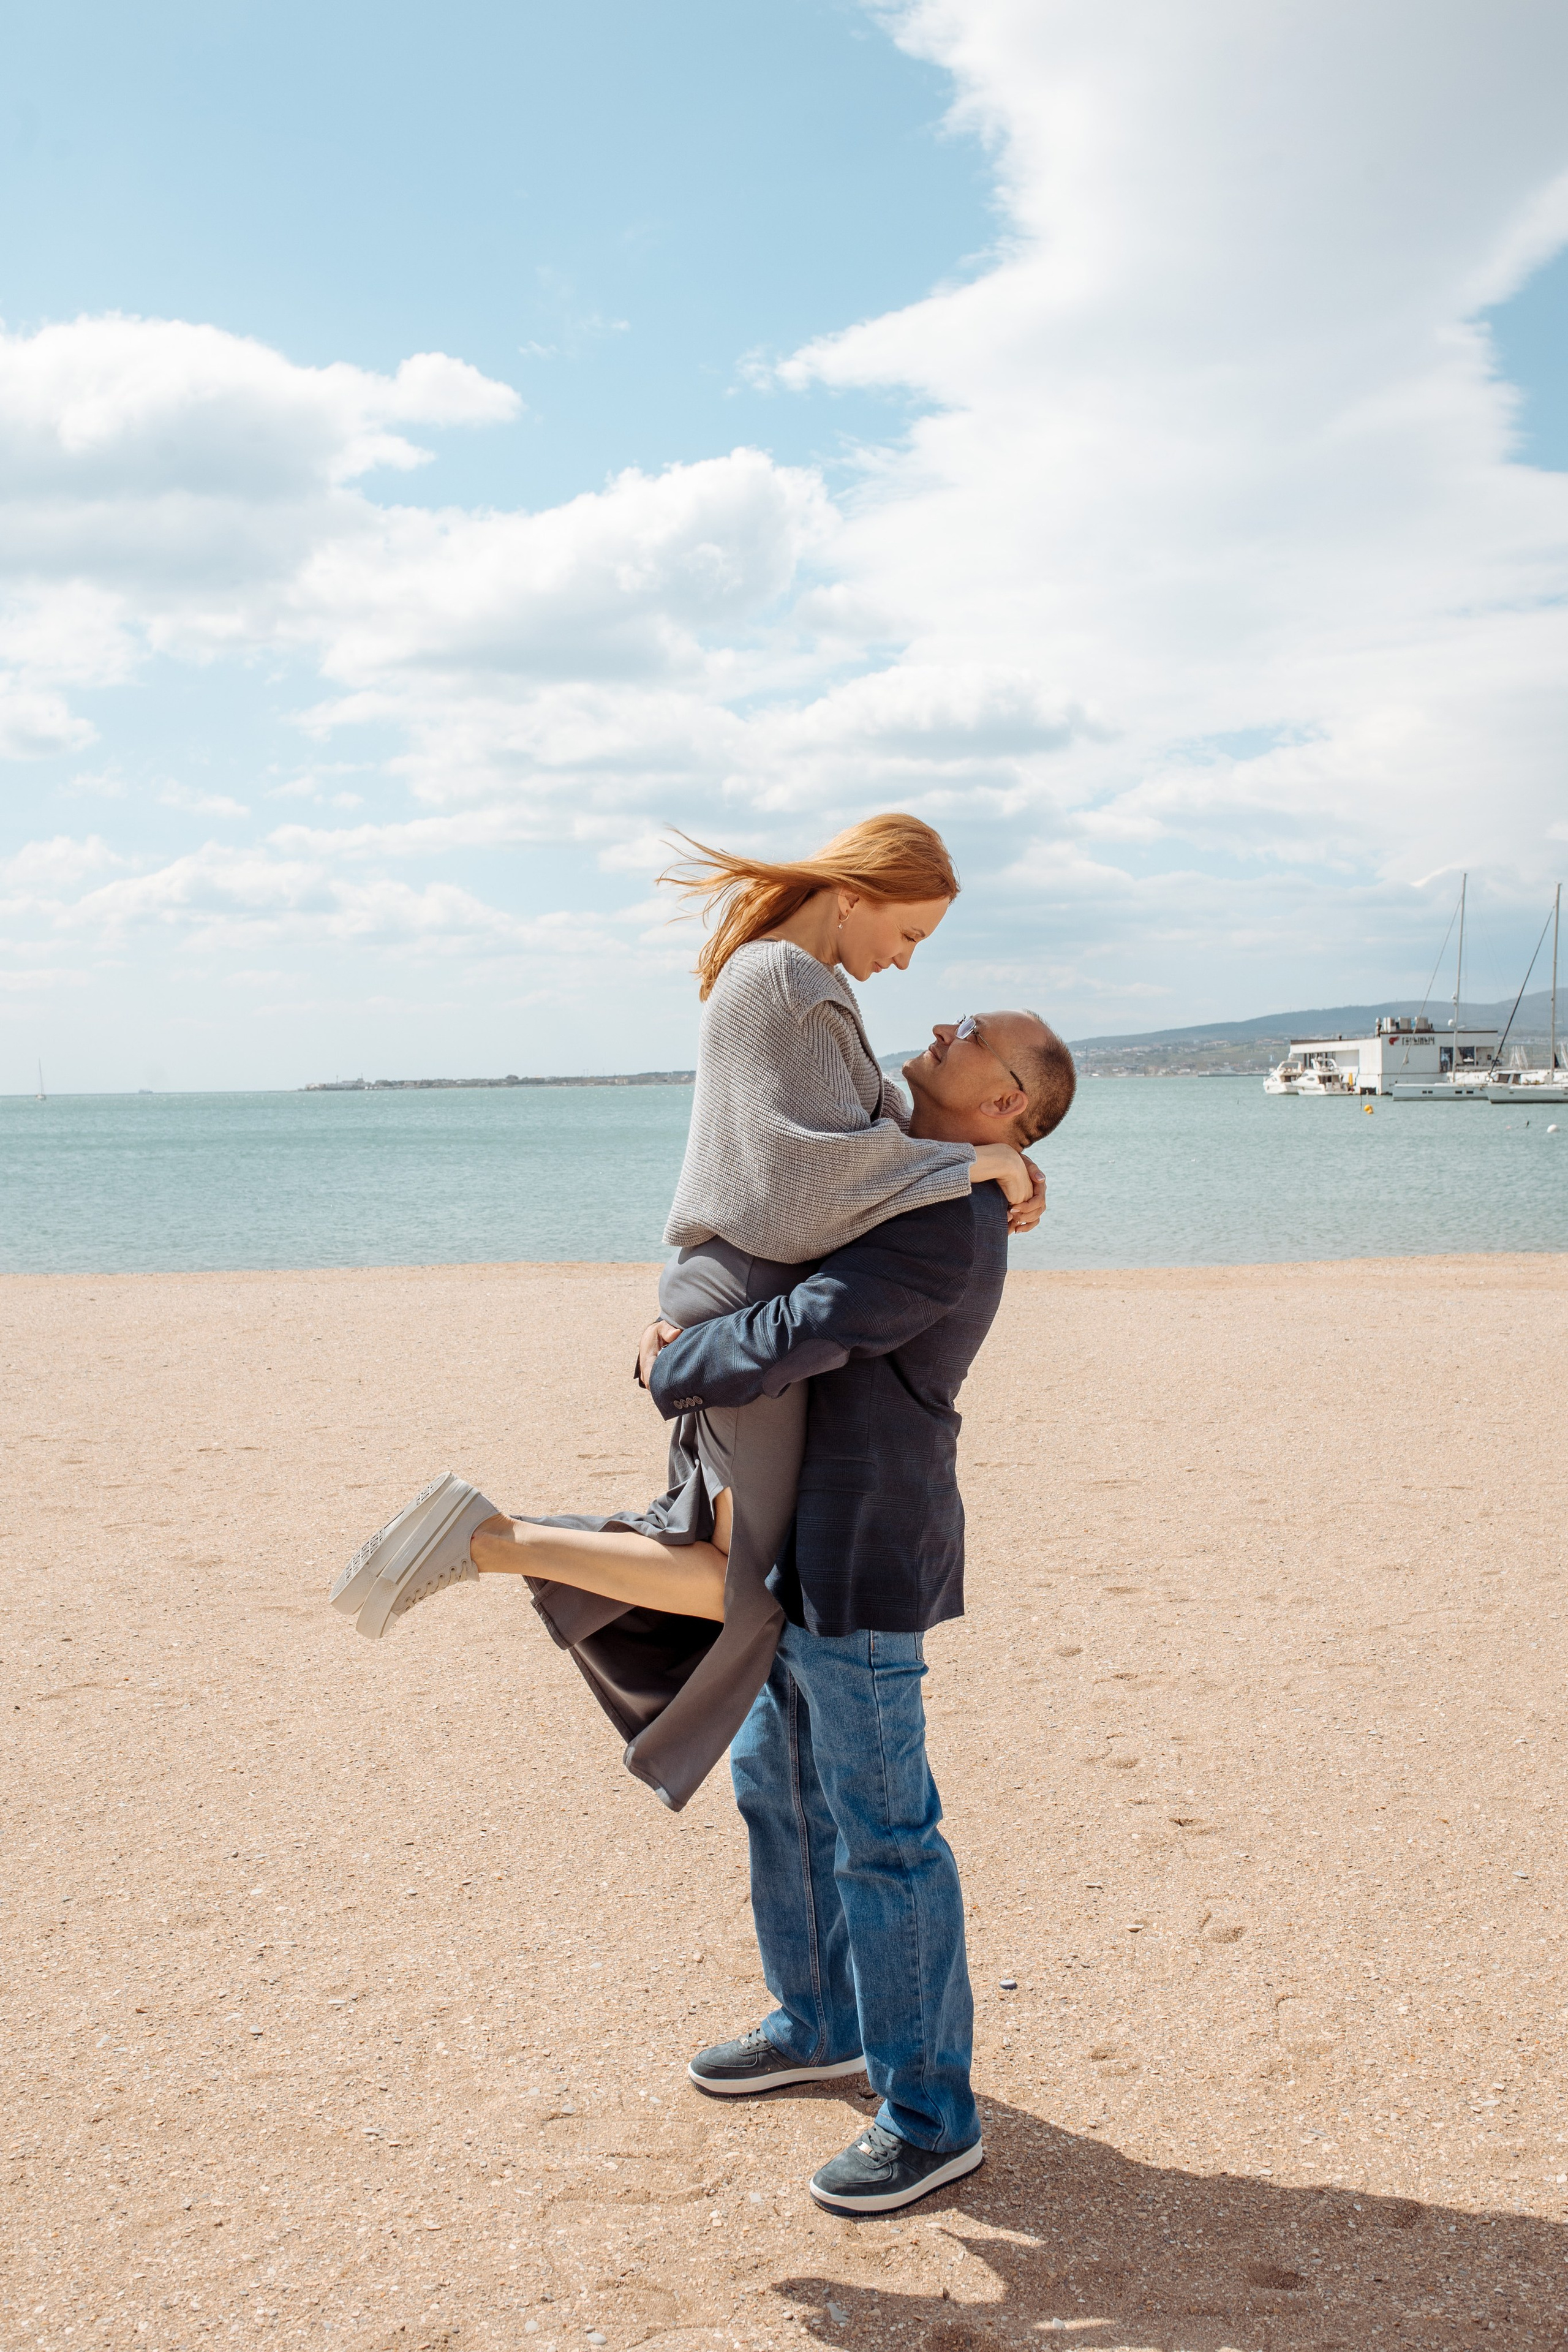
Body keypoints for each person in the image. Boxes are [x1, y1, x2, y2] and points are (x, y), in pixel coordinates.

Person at [331, 816, 1042, 1812]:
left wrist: (994, 1157)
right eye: (910, 935)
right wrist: (978, 1161)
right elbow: (806, 1178)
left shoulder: (793, 984)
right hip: (747, 1283)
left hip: (733, 1280)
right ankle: (489, 1536)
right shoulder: (791, 982)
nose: (906, 964)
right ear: (855, 895)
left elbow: (870, 1121)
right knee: (734, 1581)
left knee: (722, 1561)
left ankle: (494, 1540)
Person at [636, 1011, 1077, 2214]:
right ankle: (816, 2020)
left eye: (973, 1034)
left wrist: (668, 1363)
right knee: (773, 1791)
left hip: (866, 1549)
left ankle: (932, 2118)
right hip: (791, 1542)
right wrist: (1009, 1165)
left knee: (884, 1841)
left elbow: (809, 1325)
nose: (941, 1021)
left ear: (1004, 1105)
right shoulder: (911, 1167)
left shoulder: (948, 1215)